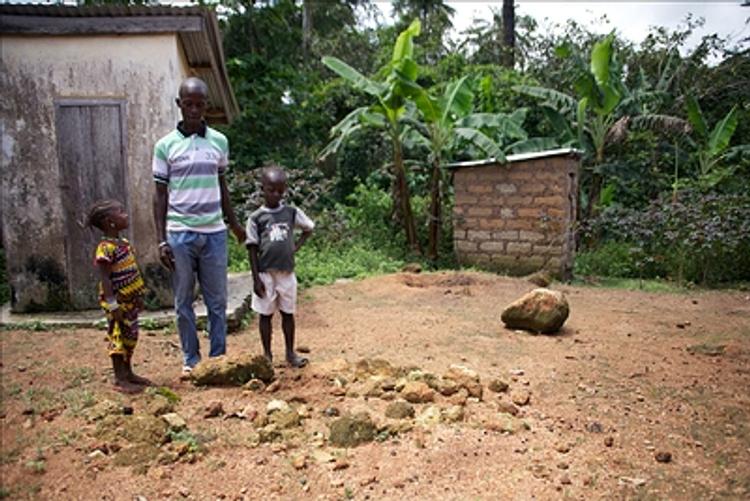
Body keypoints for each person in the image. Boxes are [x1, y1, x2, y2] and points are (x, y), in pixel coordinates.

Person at [152, 77, 246, 376]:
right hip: (180, 234)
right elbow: (160, 195)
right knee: (183, 301)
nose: (194, 109)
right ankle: (191, 360)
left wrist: (234, 224)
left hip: (214, 233)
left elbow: (222, 185)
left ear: (206, 105)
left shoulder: (219, 142)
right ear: (180, 105)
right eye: (188, 104)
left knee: (217, 300)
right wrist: (161, 240)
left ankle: (217, 358)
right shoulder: (165, 146)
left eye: (199, 104)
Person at [246, 166, 314, 368]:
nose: (276, 194)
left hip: (286, 273)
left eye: (280, 190)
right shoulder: (256, 218)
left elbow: (309, 228)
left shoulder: (291, 213)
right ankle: (267, 355)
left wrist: (294, 248)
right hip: (265, 273)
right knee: (265, 315)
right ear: (262, 189)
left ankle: (290, 353)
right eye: (271, 190)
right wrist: (256, 278)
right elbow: (251, 248)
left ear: (285, 190)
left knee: (287, 313)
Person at [88, 199, 149, 393]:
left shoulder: (123, 243)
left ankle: (128, 372)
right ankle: (119, 378)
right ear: (109, 222)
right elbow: (105, 278)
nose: (126, 215)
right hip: (117, 302)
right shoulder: (105, 248)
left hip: (130, 300)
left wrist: (138, 296)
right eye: (121, 212)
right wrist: (112, 304)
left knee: (131, 336)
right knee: (118, 336)